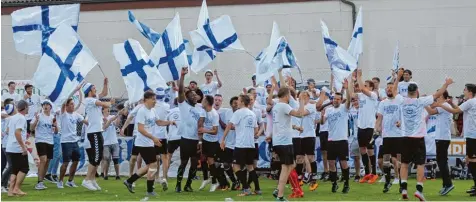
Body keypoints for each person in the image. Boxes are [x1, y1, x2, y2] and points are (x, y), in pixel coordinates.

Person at [397, 70, 453, 201]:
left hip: (405, 137)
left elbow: (394, 92)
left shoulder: (402, 100)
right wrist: (446, 84)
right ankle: (419, 190)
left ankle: (404, 189)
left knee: (404, 164)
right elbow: (438, 94)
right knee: (420, 164)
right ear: (417, 92)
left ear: (407, 92)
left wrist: (397, 78)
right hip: (418, 138)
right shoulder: (421, 101)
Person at [123, 91, 176, 196]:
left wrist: (169, 122)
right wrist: (154, 138)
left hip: (149, 142)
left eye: (155, 99)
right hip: (143, 142)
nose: (155, 101)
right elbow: (141, 129)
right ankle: (149, 190)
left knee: (151, 165)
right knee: (153, 164)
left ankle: (130, 181)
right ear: (146, 99)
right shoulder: (142, 111)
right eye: (153, 99)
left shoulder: (153, 110)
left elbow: (158, 122)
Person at [268, 70, 306, 200]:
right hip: (284, 142)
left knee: (291, 165)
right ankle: (279, 194)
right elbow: (300, 114)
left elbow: (284, 123)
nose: (290, 96)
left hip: (281, 140)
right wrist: (301, 101)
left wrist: (295, 126)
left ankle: (279, 190)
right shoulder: (283, 106)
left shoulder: (277, 106)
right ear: (286, 95)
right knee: (286, 167)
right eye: (289, 94)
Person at [436, 83, 476, 197]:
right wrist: (451, 103)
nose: (463, 91)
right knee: (469, 160)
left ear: (470, 91)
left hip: (473, 135)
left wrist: (441, 105)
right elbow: (458, 109)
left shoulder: (470, 102)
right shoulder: (471, 102)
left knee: (472, 160)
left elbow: (455, 112)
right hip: (471, 135)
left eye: (465, 89)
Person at [221, 94, 260, 196]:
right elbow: (256, 130)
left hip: (241, 145)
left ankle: (246, 188)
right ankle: (257, 189)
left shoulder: (238, 112)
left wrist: (223, 139)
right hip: (251, 145)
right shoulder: (252, 113)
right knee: (250, 167)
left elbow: (229, 126)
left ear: (242, 102)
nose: (237, 102)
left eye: (238, 100)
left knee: (235, 166)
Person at [175, 67, 205, 193]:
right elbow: (181, 90)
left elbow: (201, 127)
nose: (194, 96)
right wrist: (182, 76)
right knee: (183, 163)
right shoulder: (183, 105)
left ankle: (188, 184)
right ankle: (178, 185)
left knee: (194, 165)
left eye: (195, 94)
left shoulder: (200, 108)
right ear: (186, 97)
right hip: (186, 140)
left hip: (195, 141)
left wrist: (200, 141)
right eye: (191, 95)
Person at [81, 79, 114, 191]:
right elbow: (104, 104)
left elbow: (104, 94)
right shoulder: (89, 100)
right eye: (94, 88)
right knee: (95, 157)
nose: (96, 89)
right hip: (93, 132)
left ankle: (92, 179)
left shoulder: (93, 98)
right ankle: (87, 180)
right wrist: (110, 103)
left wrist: (105, 84)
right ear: (89, 91)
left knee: (98, 157)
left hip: (97, 131)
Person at [321, 79, 352, 194]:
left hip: (342, 140)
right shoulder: (328, 110)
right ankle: (334, 183)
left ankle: (346, 184)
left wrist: (347, 88)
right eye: (334, 99)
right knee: (331, 163)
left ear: (341, 100)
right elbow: (322, 122)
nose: (335, 100)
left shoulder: (344, 108)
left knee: (343, 163)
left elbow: (349, 100)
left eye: (338, 99)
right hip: (331, 140)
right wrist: (322, 116)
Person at [375, 77, 404, 193]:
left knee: (399, 160)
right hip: (386, 136)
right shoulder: (383, 103)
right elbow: (379, 118)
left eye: (391, 88)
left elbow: (405, 114)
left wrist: (401, 122)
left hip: (398, 135)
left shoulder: (400, 99)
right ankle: (387, 182)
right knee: (386, 160)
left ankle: (402, 183)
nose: (389, 89)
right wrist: (376, 128)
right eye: (387, 88)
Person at [425, 90, 455, 195]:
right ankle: (446, 184)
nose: (436, 96)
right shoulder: (442, 105)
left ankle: (448, 184)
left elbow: (431, 111)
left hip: (443, 138)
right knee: (441, 161)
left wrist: (423, 103)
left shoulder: (444, 105)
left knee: (442, 161)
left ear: (442, 95)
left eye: (438, 94)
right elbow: (432, 106)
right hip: (442, 137)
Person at [352, 69, 379, 184]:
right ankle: (367, 173)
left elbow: (362, 88)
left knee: (370, 150)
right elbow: (351, 94)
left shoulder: (373, 95)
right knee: (362, 149)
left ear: (371, 88)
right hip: (361, 126)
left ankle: (374, 173)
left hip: (369, 126)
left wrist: (359, 76)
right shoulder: (361, 96)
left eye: (367, 86)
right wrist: (349, 82)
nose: (363, 87)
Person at [57, 97, 87, 189]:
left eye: (73, 104)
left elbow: (85, 121)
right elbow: (62, 105)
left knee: (76, 161)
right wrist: (74, 91)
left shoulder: (76, 115)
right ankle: (60, 181)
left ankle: (70, 181)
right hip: (66, 141)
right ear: (66, 106)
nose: (73, 106)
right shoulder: (63, 114)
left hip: (75, 141)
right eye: (71, 104)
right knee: (65, 162)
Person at [31, 100, 58, 190]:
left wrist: (56, 125)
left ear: (51, 107)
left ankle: (42, 180)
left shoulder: (52, 117)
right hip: (40, 140)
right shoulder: (39, 115)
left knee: (47, 161)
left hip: (50, 141)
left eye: (47, 105)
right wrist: (36, 121)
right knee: (43, 159)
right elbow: (31, 128)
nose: (45, 106)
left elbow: (56, 131)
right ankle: (39, 182)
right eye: (44, 105)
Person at [198, 95, 221, 192]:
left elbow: (215, 131)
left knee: (211, 161)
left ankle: (215, 182)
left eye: (203, 101)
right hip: (205, 140)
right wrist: (200, 138)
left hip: (213, 141)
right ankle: (206, 178)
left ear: (207, 102)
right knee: (202, 159)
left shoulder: (214, 114)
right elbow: (200, 124)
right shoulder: (203, 110)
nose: (201, 102)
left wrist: (205, 130)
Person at [5, 100, 29, 196]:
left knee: (15, 170)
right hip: (17, 148)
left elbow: (7, 131)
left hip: (10, 147)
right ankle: (17, 188)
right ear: (25, 107)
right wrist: (23, 147)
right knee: (24, 168)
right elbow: (17, 132)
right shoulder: (21, 118)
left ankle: (10, 191)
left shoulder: (13, 117)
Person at [217, 96, 240, 190]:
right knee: (226, 164)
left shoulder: (241, 113)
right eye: (234, 103)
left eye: (237, 103)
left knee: (238, 165)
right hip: (229, 143)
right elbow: (226, 126)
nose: (236, 105)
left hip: (239, 143)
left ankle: (240, 182)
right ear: (231, 104)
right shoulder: (227, 113)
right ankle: (234, 181)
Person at [297, 91, 319, 191]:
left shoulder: (310, 106)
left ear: (308, 97)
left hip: (309, 135)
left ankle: (313, 180)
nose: (302, 98)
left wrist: (301, 101)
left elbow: (301, 113)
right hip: (300, 136)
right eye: (301, 96)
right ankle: (300, 178)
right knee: (299, 158)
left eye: (305, 96)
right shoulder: (299, 106)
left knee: (310, 158)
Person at [152, 88, 171, 190]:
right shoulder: (166, 106)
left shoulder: (153, 106)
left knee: (155, 158)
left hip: (154, 135)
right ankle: (164, 177)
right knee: (164, 158)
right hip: (163, 135)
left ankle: (156, 177)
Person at [101, 106, 122, 181]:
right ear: (103, 111)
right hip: (105, 143)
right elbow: (104, 127)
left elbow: (117, 124)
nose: (108, 112)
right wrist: (107, 121)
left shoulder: (112, 116)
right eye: (107, 110)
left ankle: (117, 175)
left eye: (109, 110)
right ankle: (105, 175)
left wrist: (118, 116)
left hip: (114, 141)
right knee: (106, 159)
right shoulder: (100, 118)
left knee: (116, 159)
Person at [1, 103, 15, 192]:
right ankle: (3, 184)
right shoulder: (11, 118)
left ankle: (3, 184)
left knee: (3, 165)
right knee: (11, 165)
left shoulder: (9, 117)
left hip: (4, 143)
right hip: (7, 144)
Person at [348, 95, 361, 182]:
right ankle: (357, 175)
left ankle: (370, 173)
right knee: (356, 157)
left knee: (366, 155)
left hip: (363, 133)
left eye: (356, 100)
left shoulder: (364, 109)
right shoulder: (349, 110)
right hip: (353, 136)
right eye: (353, 101)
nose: (355, 102)